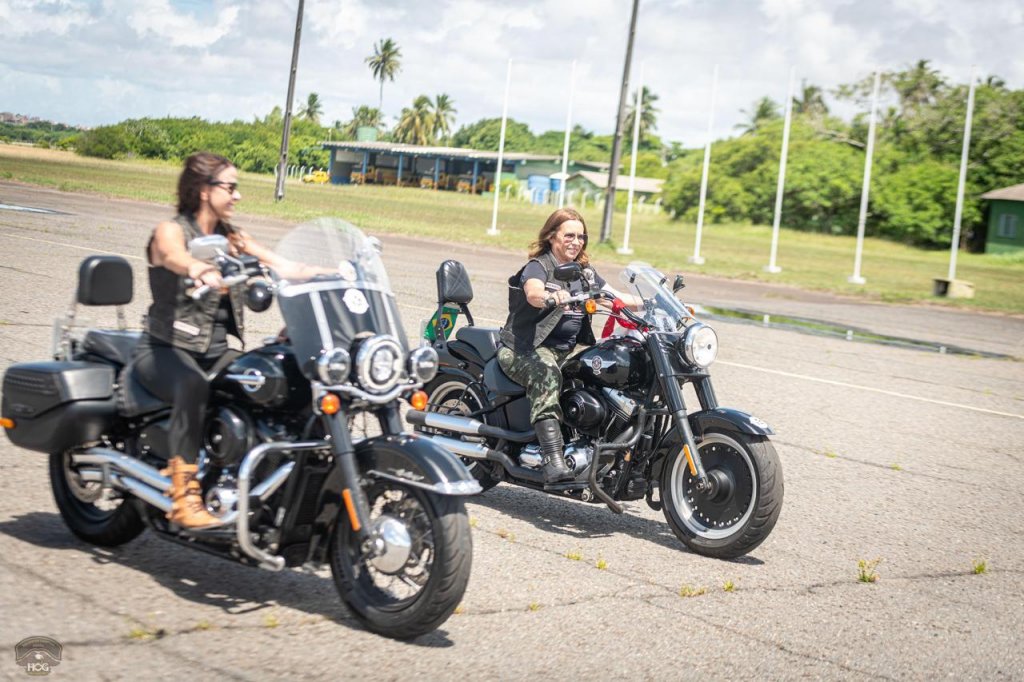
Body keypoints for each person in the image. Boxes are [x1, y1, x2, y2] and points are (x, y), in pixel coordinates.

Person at [134, 152, 311, 528]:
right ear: (203, 190)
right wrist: (197, 267)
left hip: (214, 351)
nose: (237, 195)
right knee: (192, 383)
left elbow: (285, 266)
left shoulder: (232, 238)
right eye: (230, 187)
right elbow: (171, 255)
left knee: (273, 378)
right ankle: (184, 496)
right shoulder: (173, 229)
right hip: (164, 350)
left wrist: (341, 274)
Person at [497, 207, 640, 484]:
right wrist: (551, 297)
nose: (576, 242)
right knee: (546, 373)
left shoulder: (583, 274)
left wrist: (657, 303)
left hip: (567, 350)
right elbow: (534, 292)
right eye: (569, 235)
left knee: (610, 367)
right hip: (524, 349)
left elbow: (615, 297)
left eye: (581, 236)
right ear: (552, 237)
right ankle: (552, 460)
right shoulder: (539, 266)